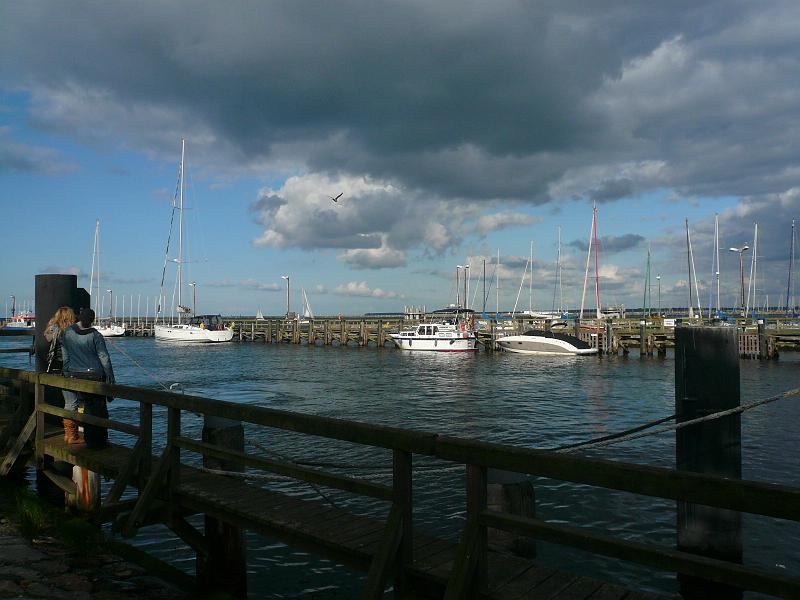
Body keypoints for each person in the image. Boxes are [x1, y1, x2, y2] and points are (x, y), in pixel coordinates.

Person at [61, 308, 115, 449]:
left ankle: (89, 439)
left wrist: (66, 372)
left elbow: (65, 356)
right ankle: (99, 441)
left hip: (75, 374)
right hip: (95, 375)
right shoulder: (95, 335)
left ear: (79, 317)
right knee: (99, 410)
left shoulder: (67, 332)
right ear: (92, 320)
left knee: (86, 407)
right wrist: (110, 377)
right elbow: (104, 358)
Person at [44, 306, 80, 443]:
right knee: (71, 402)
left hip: (52, 368)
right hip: (66, 368)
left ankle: (67, 433)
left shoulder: (51, 330)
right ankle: (71, 435)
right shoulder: (69, 332)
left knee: (59, 401)